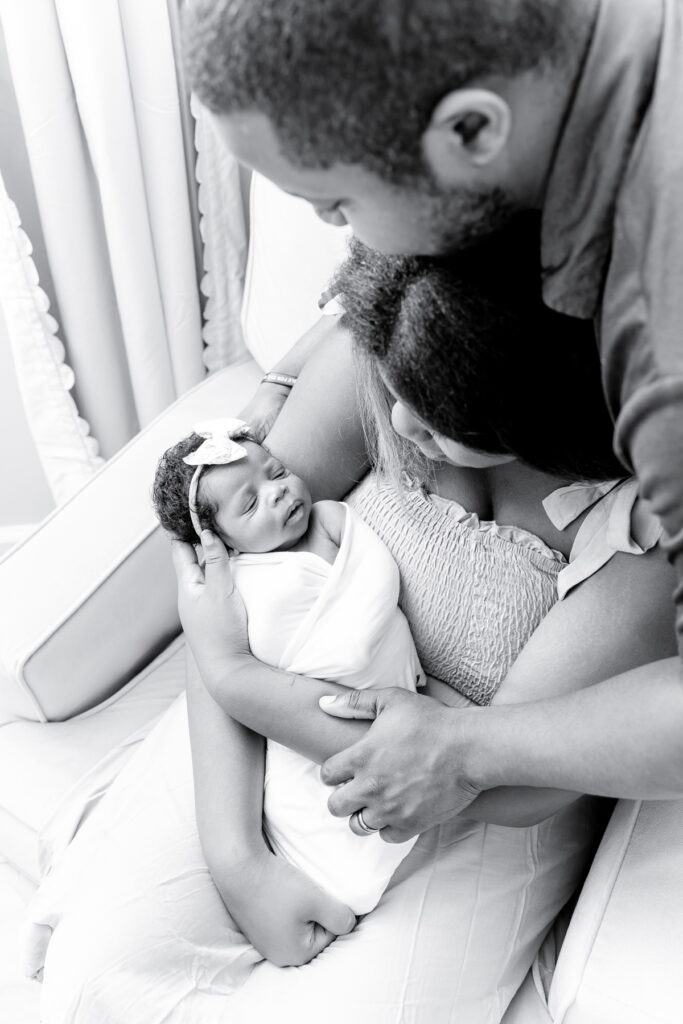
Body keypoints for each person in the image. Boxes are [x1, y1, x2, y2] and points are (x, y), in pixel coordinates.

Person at [179, 0, 683, 838]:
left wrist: (465, 750)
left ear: (472, 132)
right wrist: (284, 371)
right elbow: (385, 287)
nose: (336, 235)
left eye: (335, 202)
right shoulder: (572, 67)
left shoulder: (658, 346)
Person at [152, 419, 422, 915]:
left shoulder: (331, 520)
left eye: (276, 472)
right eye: (250, 504)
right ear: (220, 543)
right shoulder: (241, 587)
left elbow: (374, 582)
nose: (277, 493)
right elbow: (266, 658)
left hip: (382, 698)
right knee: (301, 802)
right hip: (304, 721)